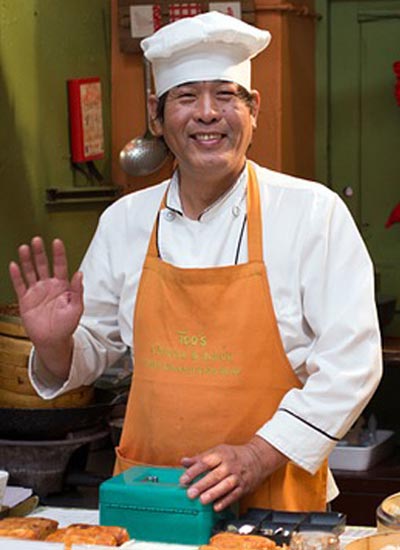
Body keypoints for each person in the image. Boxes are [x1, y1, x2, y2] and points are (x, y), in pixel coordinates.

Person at [9, 11, 382, 513]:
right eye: (186, 97)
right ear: (156, 115)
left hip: (276, 501)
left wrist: (257, 455)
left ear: (254, 109)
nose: (208, 113)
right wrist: (55, 345)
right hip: (152, 497)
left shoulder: (313, 214)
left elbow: (352, 364)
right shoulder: (124, 222)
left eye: (226, 95)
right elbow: (89, 352)